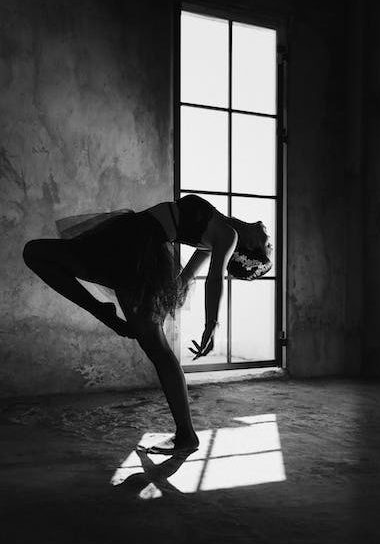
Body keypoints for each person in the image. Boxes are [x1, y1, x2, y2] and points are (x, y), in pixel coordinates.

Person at [22, 194, 272, 454]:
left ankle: (186, 435)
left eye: (268, 245)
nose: (269, 239)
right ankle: (103, 312)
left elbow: (214, 280)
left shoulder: (228, 236)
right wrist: (163, 299)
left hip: (139, 254)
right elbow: (186, 277)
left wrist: (212, 323)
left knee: (158, 350)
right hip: (123, 239)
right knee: (35, 252)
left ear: (251, 245)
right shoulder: (215, 232)